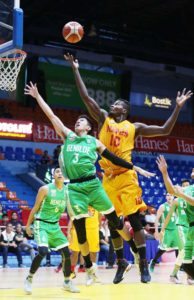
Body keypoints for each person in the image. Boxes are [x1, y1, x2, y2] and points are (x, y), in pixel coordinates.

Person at [65, 53, 193, 283]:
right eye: (112, 103)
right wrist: (75, 69)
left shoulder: (134, 127)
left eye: (116, 104)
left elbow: (165, 130)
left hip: (126, 177)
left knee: (134, 221)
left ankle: (143, 264)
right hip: (108, 178)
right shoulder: (103, 119)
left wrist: (177, 108)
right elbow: (85, 98)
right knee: (113, 223)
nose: (111, 105)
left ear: (123, 110)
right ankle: (122, 261)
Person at [24, 82, 141, 286]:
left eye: (82, 121)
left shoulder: (94, 142)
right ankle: (89, 269)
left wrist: (133, 167)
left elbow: (113, 158)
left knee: (115, 220)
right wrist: (37, 96)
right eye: (77, 121)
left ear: (88, 128)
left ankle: (132, 247)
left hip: (93, 185)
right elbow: (52, 115)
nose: (78, 123)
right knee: (80, 232)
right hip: (75, 188)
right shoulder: (68, 136)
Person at [24, 167, 80, 294]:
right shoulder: (45, 189)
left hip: (55, 226)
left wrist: (73, 226)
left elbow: (70, 211)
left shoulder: (67, 191)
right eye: (57, 172)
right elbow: (35, 208)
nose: (60, 173)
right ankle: (29, 278)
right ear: (53, 176)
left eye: (62, 172)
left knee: (66, 252)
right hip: (41, 224)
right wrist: (28, 226)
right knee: (43, 251)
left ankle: (67, 282)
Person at [157, 155, 194, 282]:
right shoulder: (187, 191)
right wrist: (165, 173)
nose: (192, 170)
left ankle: (182, 275)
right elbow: (171, 190)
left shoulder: (185, 192)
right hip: (187, 227)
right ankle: (176, 275)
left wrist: (181, 194)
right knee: (186, 257)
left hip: (189, 227)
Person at [149, 193, 181, 283]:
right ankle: (154, 261)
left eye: (171, 195)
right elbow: (157, 219)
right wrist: (156, 231)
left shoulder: (177, 206)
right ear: (166, 197)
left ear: (174, 197)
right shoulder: (163, 206)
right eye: (167, 195)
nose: (169, 196)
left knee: (178, 250)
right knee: (163, 249)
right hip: (166, 230)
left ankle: (176, 272)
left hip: (176, 230)